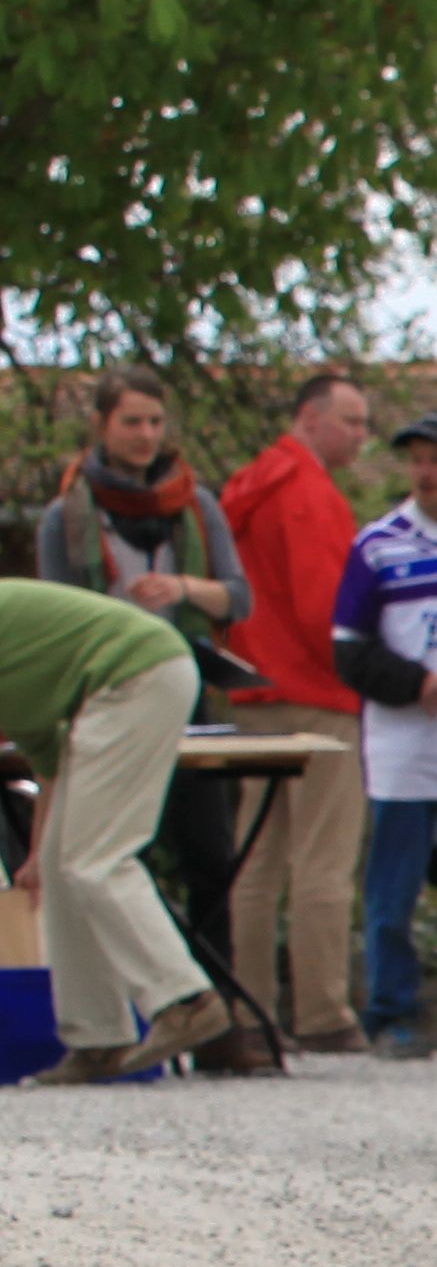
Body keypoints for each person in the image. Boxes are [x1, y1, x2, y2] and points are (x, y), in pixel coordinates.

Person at [36, 371, 264, 1060]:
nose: (146, 436)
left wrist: (183, 588)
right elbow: (55, 616)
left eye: (155, 422)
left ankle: (217, 1021)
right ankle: (139, 1016)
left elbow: (239, 599)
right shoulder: (68, 514)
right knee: (107, 856)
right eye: (132, 422)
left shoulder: (193, 505)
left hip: (185, 687)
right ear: (103, 425)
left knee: (208, 855)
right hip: (102, 698)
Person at [0, 574, 231, 1081]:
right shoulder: (17, 665)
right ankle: (96, 1038)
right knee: (65, 870)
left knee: (96, 862)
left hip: (134, 675)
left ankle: (185, 998)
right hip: (125, 679)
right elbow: (47, 759)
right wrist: (38, 853)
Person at [213, 367, 376, 1052]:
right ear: (310, 418)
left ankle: (250, 1009)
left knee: (256, 859)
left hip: (253, 689)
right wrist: (363, 667)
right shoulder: (308, 493)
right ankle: (323, 1014)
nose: (361, 437)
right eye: (351, 421)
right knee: (322, 861)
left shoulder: (247, 488)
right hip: (315, 694)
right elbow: (322, 608)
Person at [331, 414, 437, 1057]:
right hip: (404, 746)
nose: (426, 472)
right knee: (391, 890)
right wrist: (413, 682)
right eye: (417, 461)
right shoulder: (377, 545)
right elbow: (347, 649)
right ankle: (391, 1011)